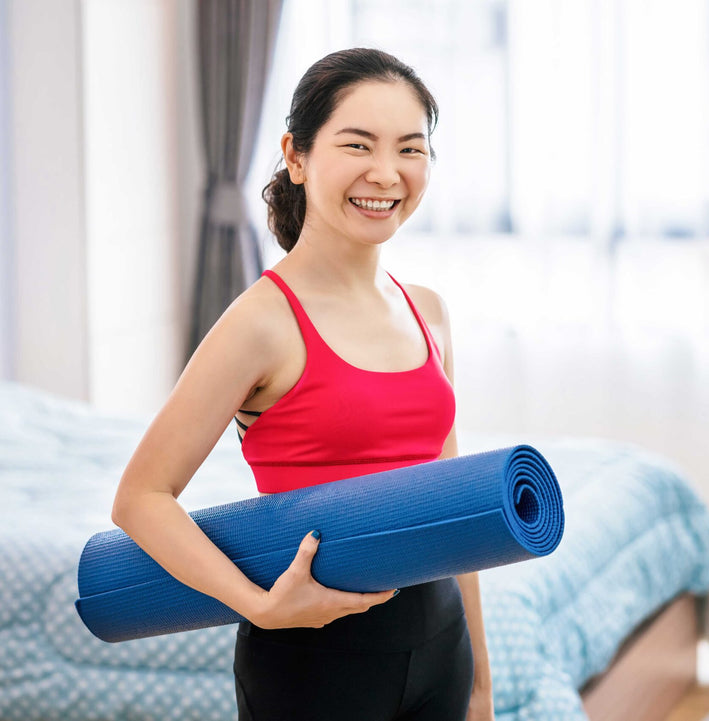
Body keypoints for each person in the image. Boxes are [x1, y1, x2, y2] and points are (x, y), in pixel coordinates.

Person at [111, 48, 495, 721]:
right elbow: (140, 498)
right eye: (357, 145)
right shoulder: (262, 322)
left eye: (410, 148)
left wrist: (482, 685)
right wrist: (259, 604)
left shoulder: (427, 309)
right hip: (315, 664)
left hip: (441, 646)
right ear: (297, 155)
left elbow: (450, 501)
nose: (386, 172)